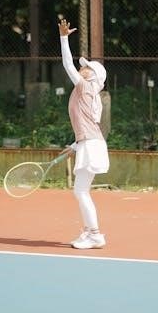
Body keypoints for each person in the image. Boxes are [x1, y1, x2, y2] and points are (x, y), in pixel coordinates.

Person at [58, 17, 109, 249]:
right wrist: (74, 145)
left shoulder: (84, 86)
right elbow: (88, 127)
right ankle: (91, 233)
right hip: (90, 143)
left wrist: (64, 38)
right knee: (81, 191)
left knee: (80, 191)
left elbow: (67, 65)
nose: (82, 68)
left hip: (91, 145)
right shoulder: (89, 94)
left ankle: (95, 235)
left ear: (92, 76)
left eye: (86, 67)